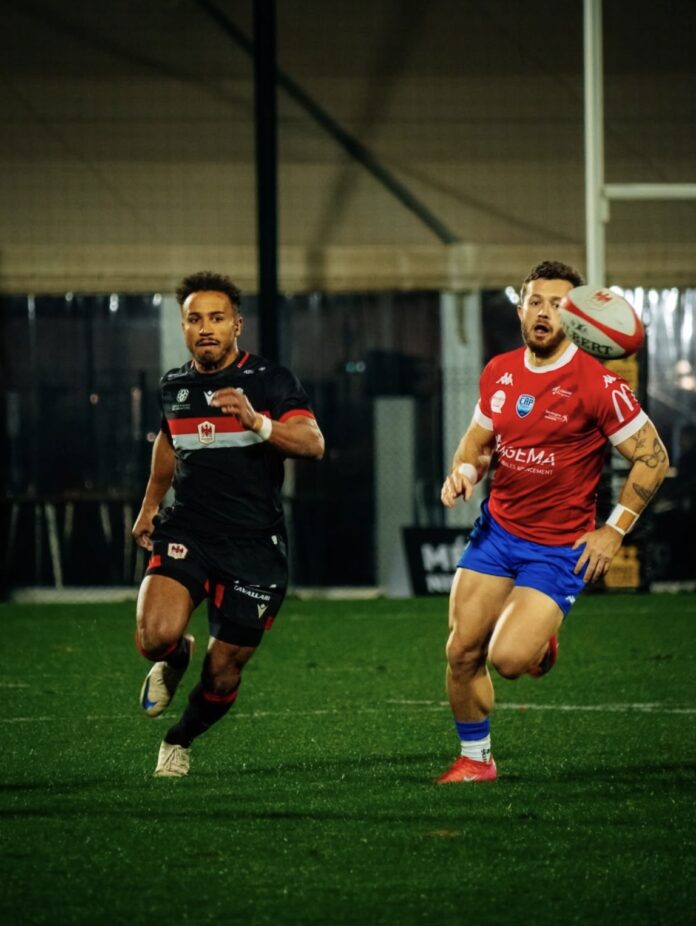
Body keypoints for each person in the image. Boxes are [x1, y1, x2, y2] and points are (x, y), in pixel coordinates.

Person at [437, 260, 669, 783]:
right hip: (496, 534)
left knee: (509, 660)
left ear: (577, 316)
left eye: (558, 304)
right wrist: (465, 473)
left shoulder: (597, 384)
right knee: (461, 651)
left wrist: (613, 530)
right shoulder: (498, 370)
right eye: (535, 302)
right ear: (520, 309)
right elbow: (477, 443)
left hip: (558, 548)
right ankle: (477, 760)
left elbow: (653, 458)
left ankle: (538, 642)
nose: (544, 312)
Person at [133, 270, 324, 777]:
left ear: (237, 324)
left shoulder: (269, 381)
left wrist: (257, 422)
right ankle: (176, 655)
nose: (206, 328)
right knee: (154, 637)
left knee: (221, 674)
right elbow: (168, 441)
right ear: (183, 327)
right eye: (194, 319)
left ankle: (180, 738)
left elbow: (313, 444)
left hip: (254, 545)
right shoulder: (174, 386)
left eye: (216, 318)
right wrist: (150, 505)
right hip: (188, 532)